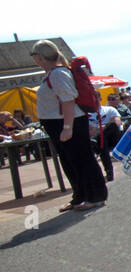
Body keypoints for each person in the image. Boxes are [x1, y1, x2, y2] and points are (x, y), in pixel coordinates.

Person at [30, 40, 108, 210]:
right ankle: (80, 197)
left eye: (35, 57)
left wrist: (67, 128)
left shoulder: (58, 74)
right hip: (62, 122)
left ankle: (95, 196)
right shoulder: (54, 73)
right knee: (71, 161)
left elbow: (68, 100)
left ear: (39, 57)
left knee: (82, 160)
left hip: (66, 122)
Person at [89, 101, 123, 183]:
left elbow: (117, 123)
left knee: (111, 125)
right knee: (102, 143)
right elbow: (89, 131)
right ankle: (109, 173)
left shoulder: (110, 109)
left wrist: (99, 128)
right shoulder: (87, 114)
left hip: (113, 138)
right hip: (100, 142)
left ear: (99, 98)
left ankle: (97, 138)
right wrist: (102, 128)